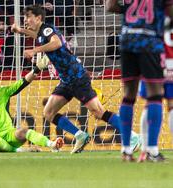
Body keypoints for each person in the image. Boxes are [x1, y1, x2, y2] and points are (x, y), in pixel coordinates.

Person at [11, 5, 140, 154]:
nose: (26, 19)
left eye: (28, 16)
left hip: (77, 77)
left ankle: (132, 136)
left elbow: (57, 43)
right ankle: (80, 135)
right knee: (48, 112)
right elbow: (37, 36)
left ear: (38, 18)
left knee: (98, 112)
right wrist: (20, 30)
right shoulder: (42, 32)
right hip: (66, 80)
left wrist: (34, 50)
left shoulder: (47, 30)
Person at [106, 0, 173, 162]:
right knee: (155, 94)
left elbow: (110, 6)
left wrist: (129, 12)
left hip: (127, 38)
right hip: (149, 41)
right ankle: (152, 150)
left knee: (129, 95)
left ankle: (126, 150)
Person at [138, 18, 173, 162]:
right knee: (171, 105)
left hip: (152, 60)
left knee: (150, 103)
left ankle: (145, 150)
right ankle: (148, 150)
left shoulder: (152, 10)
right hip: (171, 61)